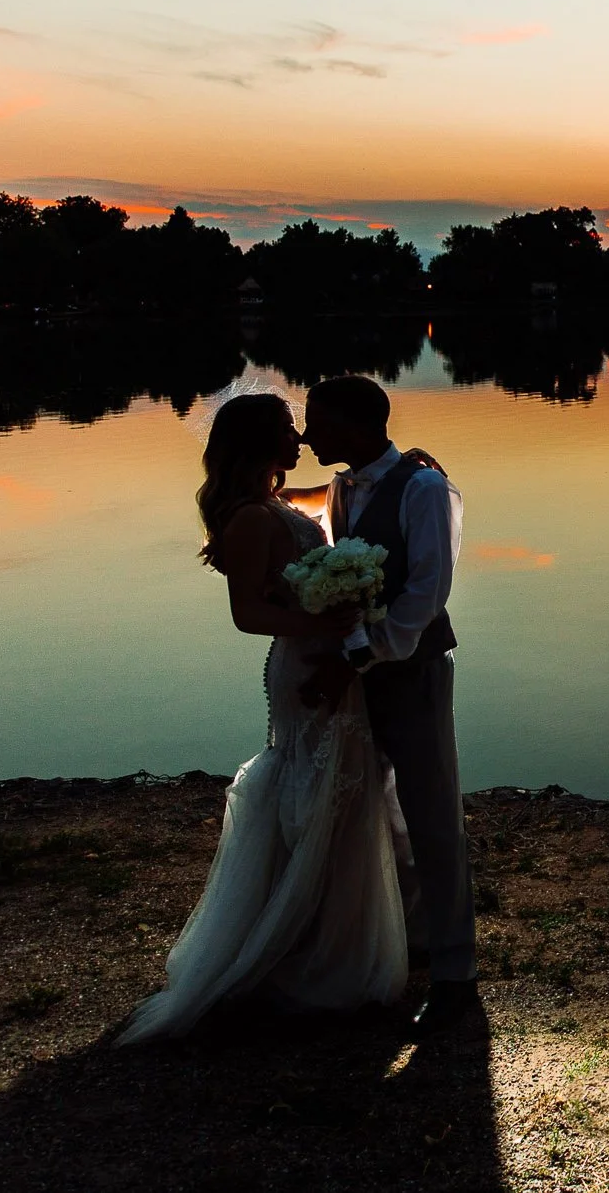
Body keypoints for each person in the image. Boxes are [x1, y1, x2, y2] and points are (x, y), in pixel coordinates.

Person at [115, 392, 408, 1043]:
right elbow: (247, 615)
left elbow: (333, 490)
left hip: (324, 654)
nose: (299, 436)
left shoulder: (271, 503)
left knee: (345, 786)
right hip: (305, 666)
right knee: (317, 788)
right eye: (284, 430)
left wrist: (397, 469)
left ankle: (326, 931)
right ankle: (299, 948)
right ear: (255, 443)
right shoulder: (250, 519)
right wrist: (324, 623)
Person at [300, 373, 480, 1027]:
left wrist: (360, 652)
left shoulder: (425, 488)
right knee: (376, 808)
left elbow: (427, 591)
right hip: (363, 673)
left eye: (315, 421)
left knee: (432, 813)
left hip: (415, 667)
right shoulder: (343, 487)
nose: (305, 433)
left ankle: (456, 970)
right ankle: (409, 938)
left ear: (353, 423)